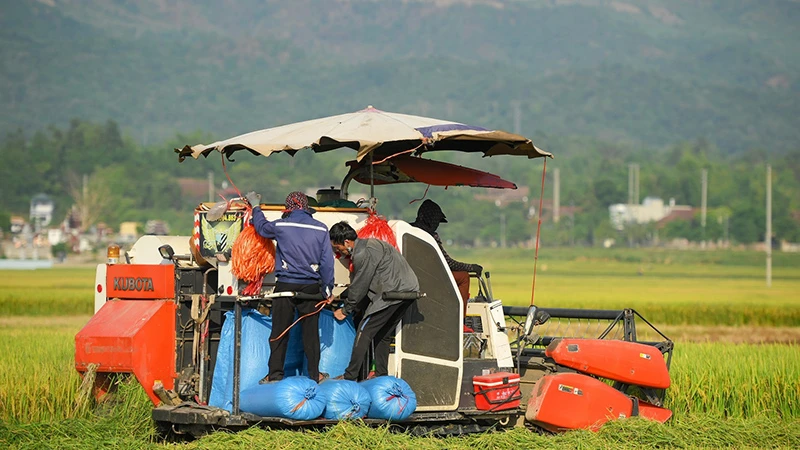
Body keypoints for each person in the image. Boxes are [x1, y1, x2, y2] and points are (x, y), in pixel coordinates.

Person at [246, 190, 335, 384]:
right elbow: (327, 262)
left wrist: (255, 206)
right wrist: (328, 289)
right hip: (311, 287)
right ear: (307, 209)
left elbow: (261, 227)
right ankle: (314, 374)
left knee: (280, 331)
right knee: (311, 334)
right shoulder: (321, 229)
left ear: (288, 209)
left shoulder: (281, 225)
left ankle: (275, 375)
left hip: (285, 285)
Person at [329, 221, 419, 381]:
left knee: (364, 331)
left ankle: (349, 377)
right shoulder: (374, 244)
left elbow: (360, 285)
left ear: (347, 242)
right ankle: (381, 374)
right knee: (383, 334)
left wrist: (345, 310)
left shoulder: (362, 254)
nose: (340, 252)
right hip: (408, 292)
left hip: (391, 294)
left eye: (338, 248)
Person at [410, 199, 482, 328]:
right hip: (429, 278)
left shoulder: (409, 230)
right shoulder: (429, 236)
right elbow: (448, 263)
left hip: (412, 277)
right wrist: (471, 267)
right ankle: (460, 319)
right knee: (464, 277)